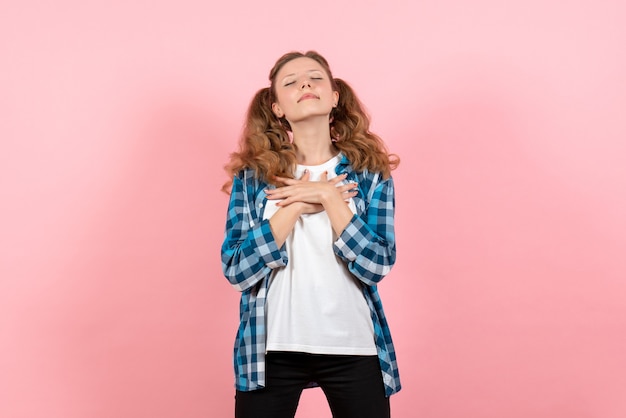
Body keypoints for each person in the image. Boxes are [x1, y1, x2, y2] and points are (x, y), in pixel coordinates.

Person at [220, 50, 401, 418]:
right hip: (270, 349)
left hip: (354, 347)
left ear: (334, 96)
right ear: (277, 108)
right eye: (291, 82)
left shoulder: (369, 173)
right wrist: (296, 206)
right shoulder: (254, 177)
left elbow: (378, 264)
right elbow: (237, 269)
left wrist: (328, 197)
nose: (305, 84)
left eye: (316, 78)